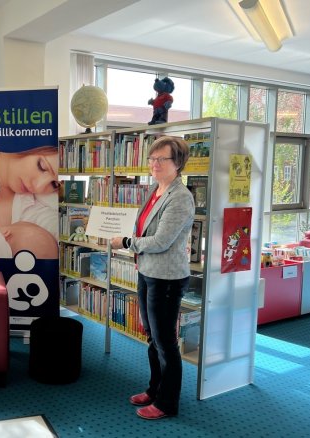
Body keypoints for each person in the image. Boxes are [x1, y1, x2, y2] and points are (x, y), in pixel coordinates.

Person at [110, 136, 194, 420]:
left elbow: (160, 241)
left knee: (165, 341)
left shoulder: (180, 197)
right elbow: (144, 230)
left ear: (178, 163)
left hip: (167, 278)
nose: (154, 164)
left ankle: (167, 403)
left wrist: (124, 242)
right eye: (152, 159)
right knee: (152, 337)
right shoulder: (156, 190)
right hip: (147, 272)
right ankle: (154, 389)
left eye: (162, 159)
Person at [0, 146, 60, 259]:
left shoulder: (32, 209)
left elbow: (62, 232)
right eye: (42, 166)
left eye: (54, 184)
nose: (38, 186)